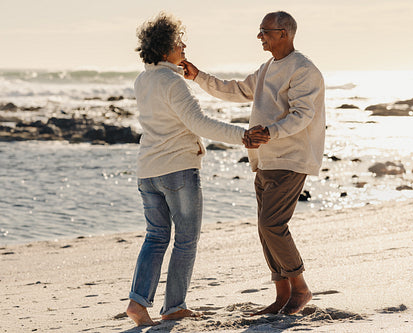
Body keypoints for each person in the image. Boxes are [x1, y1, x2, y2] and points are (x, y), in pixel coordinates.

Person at [126, 12, 269, 326]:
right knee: (186, 239)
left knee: (156, 237)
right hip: (177, 169)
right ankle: (174, 306)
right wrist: (244, 137)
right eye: (179, 42)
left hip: (147, 170)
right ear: (166, 49)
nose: (184, 46)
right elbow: (199, 123)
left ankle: (138, 303)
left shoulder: (143, 79)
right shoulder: (173, 83)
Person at [181, 11, 325, 315]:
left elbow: (302, 115)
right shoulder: (268, 67)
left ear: (284, 33)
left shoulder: (304, 70)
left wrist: (270, 132)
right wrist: (198, 77)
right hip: (264, 159)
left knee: (272, 224)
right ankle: (282, 295)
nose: (260, 36)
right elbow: (237, 90)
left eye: (265, 31)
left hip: (291, 158)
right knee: (265, 229)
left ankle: (300, 288)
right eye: (260, 31)